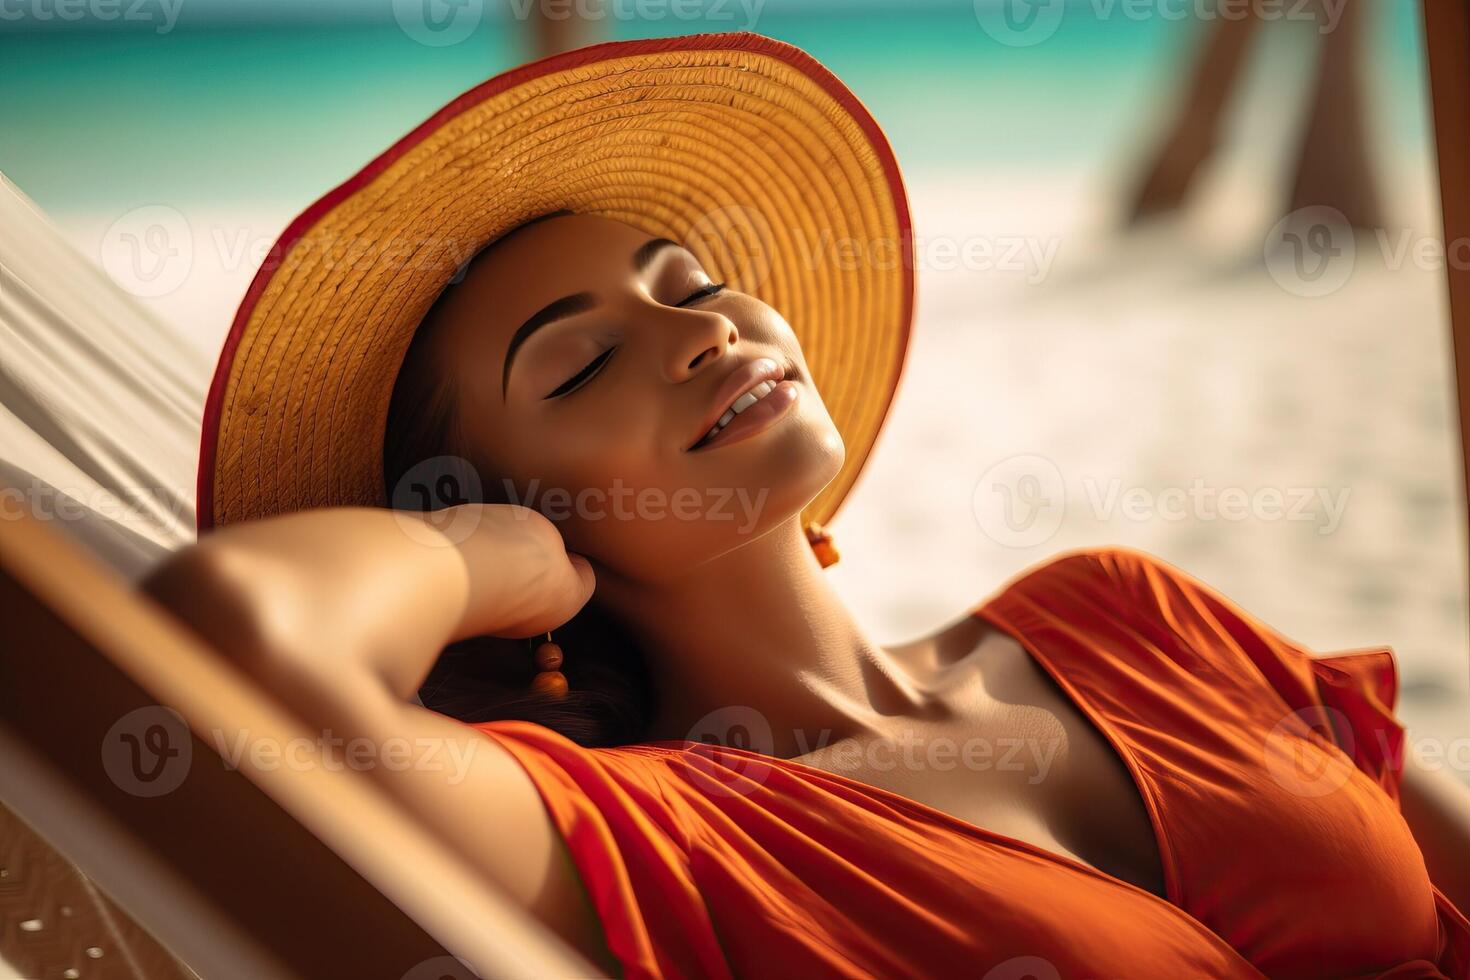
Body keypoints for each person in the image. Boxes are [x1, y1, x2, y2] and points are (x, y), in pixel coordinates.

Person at [143, 33, 1470, 978]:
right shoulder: (651, 839)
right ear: (509, 503)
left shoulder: (1121, 607)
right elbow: (232, 631)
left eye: (690, 279)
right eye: (582, 360)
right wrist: (480, 554)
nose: (697, 332)